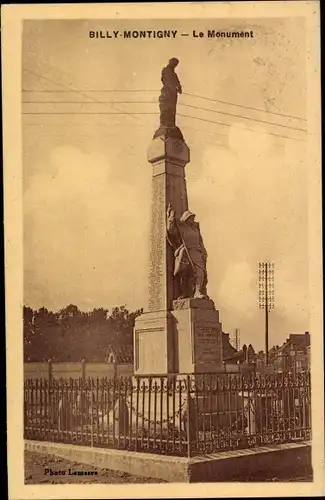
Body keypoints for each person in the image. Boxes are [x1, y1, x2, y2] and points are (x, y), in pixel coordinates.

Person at [166, 204, 208, 300]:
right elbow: (170, 230)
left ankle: (198, 291)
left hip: (196, 252)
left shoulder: (196, 229)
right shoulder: (181, 228)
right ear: (186, 219)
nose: (192, 220)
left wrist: (204, 252)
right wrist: (171, 216)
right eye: (190, 218)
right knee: (184, 274)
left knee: (200, 272)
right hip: (185, 253)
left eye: (192, 218)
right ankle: (185, 292)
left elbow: (200, 242)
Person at [159, 58, 182, 127]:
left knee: (172, 110)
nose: (175, 65)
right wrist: (174, 87)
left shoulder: (174, 74)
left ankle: (171, 125)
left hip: (172, 94)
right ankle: (165, 125)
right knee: (166, 109)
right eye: (174, 63)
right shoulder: (166, 70)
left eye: (176, 64)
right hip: (167, 93)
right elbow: (167, 81)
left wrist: (178, 88)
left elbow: (178, 84)